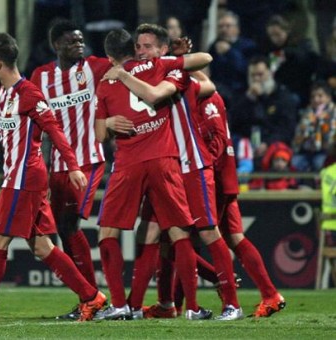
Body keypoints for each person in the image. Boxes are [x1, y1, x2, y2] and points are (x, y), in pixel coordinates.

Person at [0, 32, 106, 323]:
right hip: (18, 178)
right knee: (42, 246)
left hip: (24, 179)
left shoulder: (28, 93)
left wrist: (73, 166)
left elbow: (55, 130)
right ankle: (91, 297)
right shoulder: (4, 94)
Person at [111, 23, 242, 321]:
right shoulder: (139, 76)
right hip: (164, 167)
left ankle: (231, 303)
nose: (140, 52)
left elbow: (184, 88)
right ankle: (144, 305)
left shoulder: (174, 74)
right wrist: (107, 123)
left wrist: (124, 73)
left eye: (147, 47)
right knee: (153, 232)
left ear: (162, 51)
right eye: (138, 47)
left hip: (192, 165)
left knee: (208, 231)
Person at [93, 28, 212, 321]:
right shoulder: (158, 65)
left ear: (110, 57)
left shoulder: (105, 83)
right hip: (164, 160)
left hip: (128, 163)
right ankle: (193, 309)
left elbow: (98, 134)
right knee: (178, 232)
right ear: (134, 49)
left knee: (108, 231)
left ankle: (120, 304)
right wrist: (177, 55)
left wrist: (109, 121)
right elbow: (204, 60)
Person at [30, 19, 111, 320]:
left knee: (70, 226)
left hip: (88, 161)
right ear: (56, 46)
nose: (78, 44)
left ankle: (92, 298)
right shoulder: (41, 77)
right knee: (64, 230)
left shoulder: (95, 68)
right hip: (57, 166)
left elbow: (124, 63)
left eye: (80, 40)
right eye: (71, 41)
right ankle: (87, 299)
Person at [203, 91, 287, 317]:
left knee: (187, 236)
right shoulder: (212, 94)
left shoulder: (201, 95)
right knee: (233, 237)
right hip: (225, 174)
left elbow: (216, 140)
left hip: (213, 177)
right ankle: (270, 294)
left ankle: (226, 300)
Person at [207, 11, 259, 105]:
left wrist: (230, 52)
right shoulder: (213, 47)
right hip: (218, 91)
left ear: (237, 29)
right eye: (221, 26)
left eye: (228, 26)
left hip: (240, 91)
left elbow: (245, 69)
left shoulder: (248, 46)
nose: (224, 29)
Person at [291, 81, 336, 172]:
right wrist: (308, 124)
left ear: (328, 98)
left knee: (319, 163)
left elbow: (331, 136)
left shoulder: (333, 113)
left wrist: (321, 121)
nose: (316, 100)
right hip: (307, 151)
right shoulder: (307, 113)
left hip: (326, 152)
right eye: (313, 97)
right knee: (294, 163)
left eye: (320, 96)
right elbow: (299, 136)